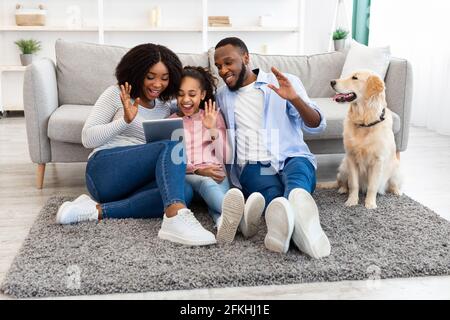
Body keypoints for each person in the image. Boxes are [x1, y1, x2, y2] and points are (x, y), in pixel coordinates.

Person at [55, 43, 217, 247]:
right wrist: (124, 120)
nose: (158, 84)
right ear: (137, 72)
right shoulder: (117, 94)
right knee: (170, 145)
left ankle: (94, 210)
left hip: (133, 184)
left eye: (165, 78)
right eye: (151, 77)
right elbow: (87, 138)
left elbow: (192, 97)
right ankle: (175, 219)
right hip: (104, 172)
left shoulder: (165, 103)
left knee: (184, 191)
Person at [214, 37, 331, 258]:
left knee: (296, 187)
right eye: (218, 66)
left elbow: (316, 124)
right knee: (275, 198)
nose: (223, 70)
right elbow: (190, 102)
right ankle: (302, 229)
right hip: (253, 164)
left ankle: (290, 221)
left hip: (291, 156)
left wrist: (294, 98)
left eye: (228, 62)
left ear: (246, 58)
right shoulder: (221, 95)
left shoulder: (284, 82)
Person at [171, 66, 265, 243]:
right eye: (180, 94)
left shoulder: (213, 116)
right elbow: (170, 163)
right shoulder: (169, 122)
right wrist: (198, 170)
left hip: (216, 172)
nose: (185, 100)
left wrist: (212, 128)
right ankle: (243, 216)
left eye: (192, 94)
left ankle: (223, 222)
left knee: (221, 197)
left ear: (202, 94)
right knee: (207, 183)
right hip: (190, 176)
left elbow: (227, 156)